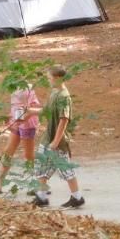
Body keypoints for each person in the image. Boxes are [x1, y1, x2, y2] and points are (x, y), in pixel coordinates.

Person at [26, 65, 85, 208]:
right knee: (40, 166)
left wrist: (56, 141)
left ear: (58, 78)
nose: (48, 81)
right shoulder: (54, 92)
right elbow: (46, 110)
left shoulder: (64, 97)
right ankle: (42, 196)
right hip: (48, 138)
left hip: (57, 140)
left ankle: (77, 197)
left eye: (49, 78)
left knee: (65, 169)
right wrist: (29, 111)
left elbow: (63, 120)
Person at [0, 84, 41, 193]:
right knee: (8, 152)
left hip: (27, 123)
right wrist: (10, 116)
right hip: (16, 121)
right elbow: (15, 103)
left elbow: (35, 106)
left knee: (28, 155)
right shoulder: (13, 82)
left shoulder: (28, 86)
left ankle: (37, 184)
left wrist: (26, 115)